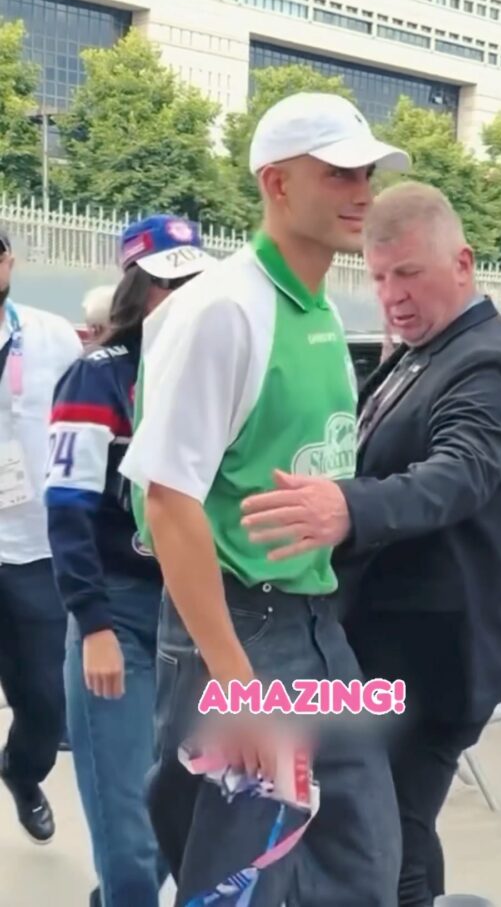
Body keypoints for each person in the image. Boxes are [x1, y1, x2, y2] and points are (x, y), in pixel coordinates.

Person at [120, 92, 411, 907]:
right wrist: (237, 683)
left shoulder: (315, 307)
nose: (362, 190)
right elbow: (169, 500)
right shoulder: (222, 309)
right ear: (277, 184)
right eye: (339, 172)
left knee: (361, 866)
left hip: (316, 632)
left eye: (367, 172)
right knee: (236, 884)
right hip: (242, 632)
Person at [242, 182, 501, 907]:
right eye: (377, 277)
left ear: (464, 263)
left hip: (436, 657)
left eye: (408, 273)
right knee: (391, 826)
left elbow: (455, 474)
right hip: (394, 642)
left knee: (384, 836)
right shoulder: (422, 350)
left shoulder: (487, 361)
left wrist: (343, 506)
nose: (391, 294)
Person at [45, 215, 214, 907]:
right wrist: (94, 624)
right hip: (117, 608)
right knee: (128, 824)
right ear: (141, 289)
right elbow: (68, 507)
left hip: (192, 612)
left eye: (195, 279)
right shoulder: (97, 375)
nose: (187, 294)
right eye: (171, 281)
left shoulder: (209, 375)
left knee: (191, 813)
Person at [0, 227, 83, 843]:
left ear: (8, 261)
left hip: (32, 548)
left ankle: (22, 772)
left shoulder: (51, 335)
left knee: (45, 703)